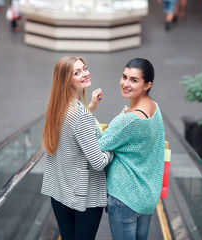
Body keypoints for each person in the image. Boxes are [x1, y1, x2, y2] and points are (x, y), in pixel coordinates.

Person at [41, 56, 114, 240]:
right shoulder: (80, 116)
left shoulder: (59, 107)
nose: (85, 73)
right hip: (83, 197)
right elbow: (98, 162)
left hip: (60, 191)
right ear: (66, 80)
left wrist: (91, 107)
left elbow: (73, 134)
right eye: (77, 72)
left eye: (85, 68)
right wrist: (115, 145)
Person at [98, 58, 165, 240]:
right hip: (147, 197)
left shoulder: (128, 120)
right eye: (124, 77)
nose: (126, 84)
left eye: (134, 80)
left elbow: (98, 147)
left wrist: (90, 112)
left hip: (124, 197)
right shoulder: (154, 108)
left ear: (147, 85)